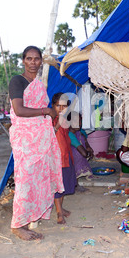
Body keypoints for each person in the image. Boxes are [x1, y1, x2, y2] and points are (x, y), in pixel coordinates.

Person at [8, 46, 64, 241]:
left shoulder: (38, 83)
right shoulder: (18, 81)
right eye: (29, 59)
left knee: (38, 180)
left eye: (36, 59)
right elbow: (19, 110)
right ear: (23, 61)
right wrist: (46, 111)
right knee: (24, 181)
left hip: (40, 140)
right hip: (25, 140)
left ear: (41, 61)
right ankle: (17, 225)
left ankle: (31, 216)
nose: (33, 62)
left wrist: (48, 115)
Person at [51, 92, 77, 224]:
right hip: (56, 159)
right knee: (57, 187)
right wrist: (57, 125)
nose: (61, 109)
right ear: (52, 106)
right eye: (57, 106)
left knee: (64, 185)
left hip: (66, 156)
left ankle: (61, 208)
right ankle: (59, 213)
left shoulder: (65, 119)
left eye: (64, 106)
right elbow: (49, 136)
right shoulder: (50, 119)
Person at [68, 111, 94, 182]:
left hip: (78, 155)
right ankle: (75, 173)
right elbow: (84, 153)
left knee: (81, 138)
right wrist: (89, 153)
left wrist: (87, 146)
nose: (79, 124)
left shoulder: (78, 132)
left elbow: (83, 136)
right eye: (75, 121)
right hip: (68, 160)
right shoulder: (70, 135)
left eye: (80, 121)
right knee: (78, 152)